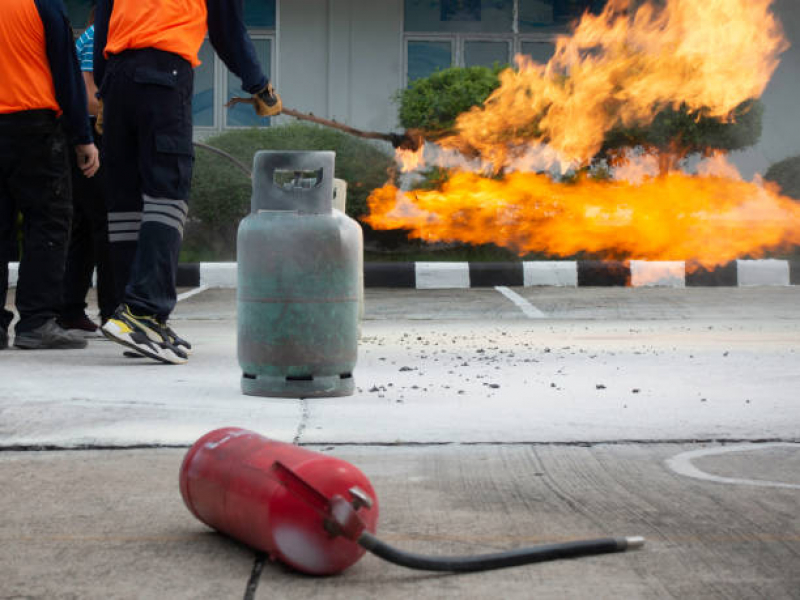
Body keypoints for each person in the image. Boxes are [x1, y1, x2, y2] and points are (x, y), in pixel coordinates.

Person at [94, 0, 281, 365]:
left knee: (127, 204)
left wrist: (104, 93)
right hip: (163, 76)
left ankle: (129, 315)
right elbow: (227, 32)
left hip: (118, 79)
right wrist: (260, 86)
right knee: (167, 195)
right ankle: (143, 312)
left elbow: (103, 25)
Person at [0, 0, 100, 351]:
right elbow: (67, 76)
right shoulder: (42, 7)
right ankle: (37, 321)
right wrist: (82, 138)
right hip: (34, 128)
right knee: (48, 222)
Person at [59, 5, 116, 335]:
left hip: (86, 135)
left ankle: (70, 308)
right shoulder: (98, 37)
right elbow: (87, 97)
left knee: (83, 226)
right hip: (92, 136)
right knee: (106, 224)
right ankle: (112, 310)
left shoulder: (92, 35)